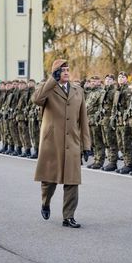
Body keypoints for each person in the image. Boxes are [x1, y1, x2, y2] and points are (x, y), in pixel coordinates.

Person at [32, 59, 91, 228]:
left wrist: (86, 145)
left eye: (67, 69)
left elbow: (84, 120)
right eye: (61, 70)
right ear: (55, 73)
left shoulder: (78, 90)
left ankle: (68, 216)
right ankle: (46, 202)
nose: (66, 72)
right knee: (49, 180)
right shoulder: (47, 89)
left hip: (72, 141)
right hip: (52, 142)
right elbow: (36, 100)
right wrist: (52, 80)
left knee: (72, 181)